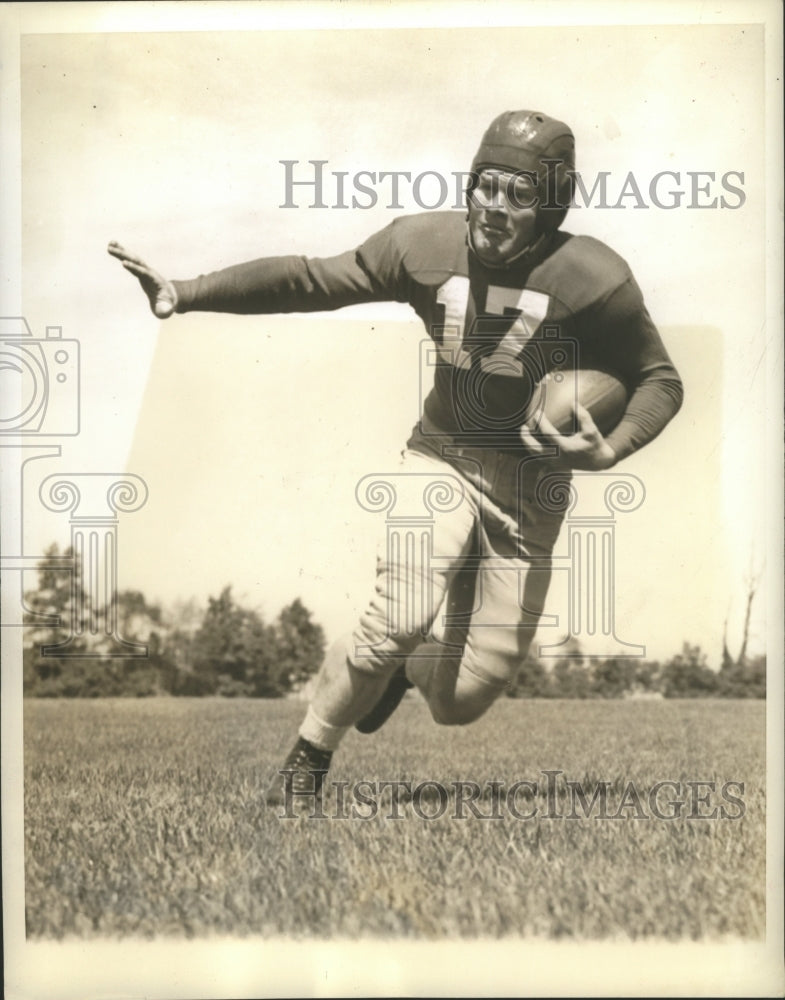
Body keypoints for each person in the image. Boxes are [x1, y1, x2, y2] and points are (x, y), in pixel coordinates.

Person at [108, 110, 683, 809]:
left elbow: (659, 377)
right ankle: (307, 761)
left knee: (462, 700)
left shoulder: (593, 275)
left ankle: (409, 673)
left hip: (533, 485)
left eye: (518, 194)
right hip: (442, 453)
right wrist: (187, 292)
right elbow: (311, 281)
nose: (494, 207)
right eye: (485, 185)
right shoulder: (422, 243)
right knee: (399, 613)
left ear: (549, 204)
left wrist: (610, 449)